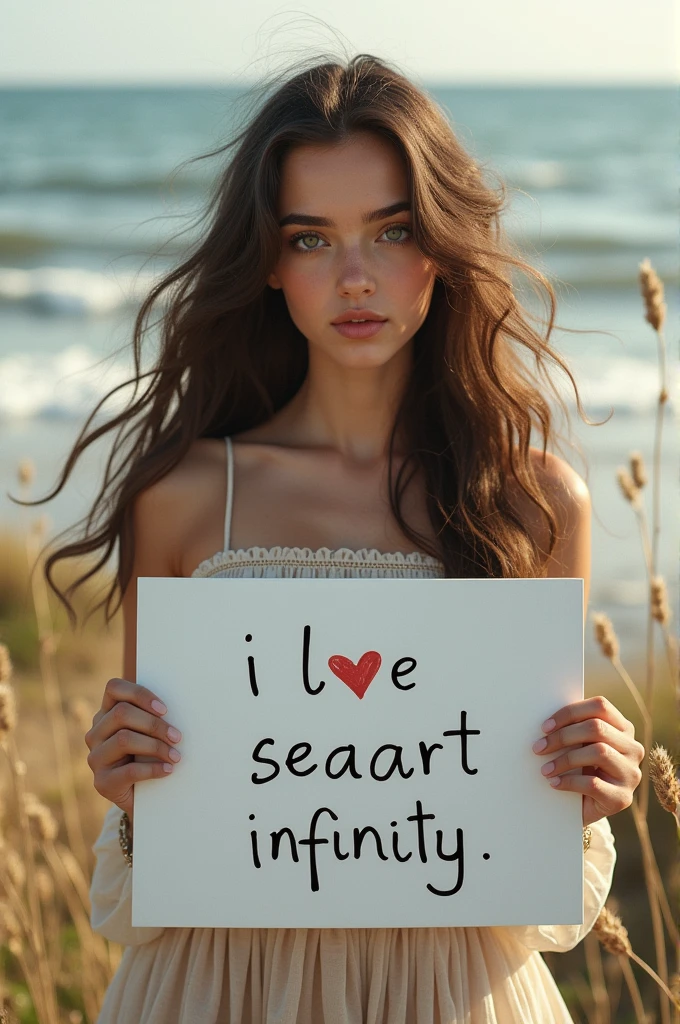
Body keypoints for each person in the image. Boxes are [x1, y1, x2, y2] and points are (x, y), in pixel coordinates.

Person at [42, 54, 644, 1024]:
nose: (354, 276)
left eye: (390, 231)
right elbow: (161, 829)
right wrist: (126, 785)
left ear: (440, 247)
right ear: (270, 264)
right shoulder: (189, 495)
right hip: (214, 987)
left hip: (451, 990)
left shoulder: (533, 504)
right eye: (312, 238)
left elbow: (522, 863)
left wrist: (584, 791)